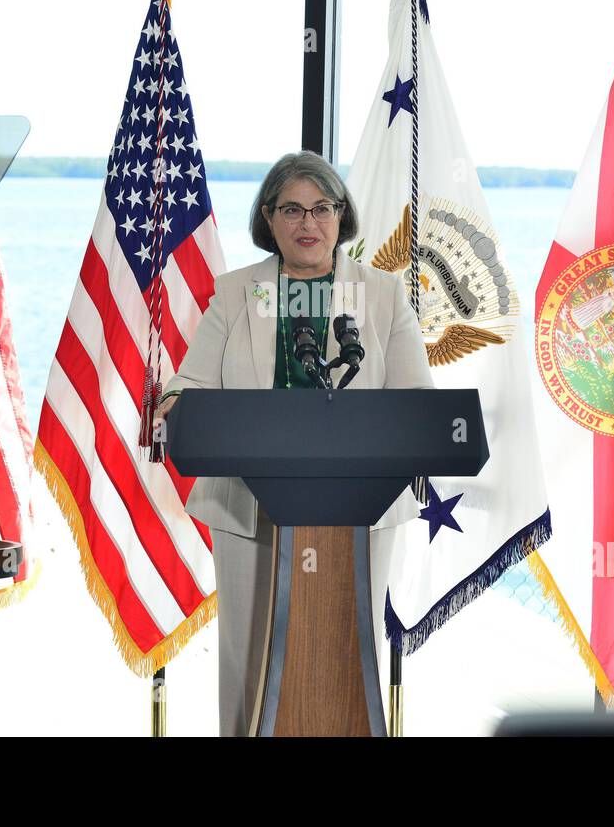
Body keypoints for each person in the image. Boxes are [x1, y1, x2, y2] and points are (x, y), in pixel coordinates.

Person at [154, 150, 432, 736]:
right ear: (268, 219)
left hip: (362, 508)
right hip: (249, 506)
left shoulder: (380, 295)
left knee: (344, 651)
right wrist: (178, 405)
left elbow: (416, 402)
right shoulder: (236, 294)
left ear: (341, 216)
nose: (309, 223)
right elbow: (189, 383)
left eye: (322, 208)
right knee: (249, 657)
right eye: (292, 210)